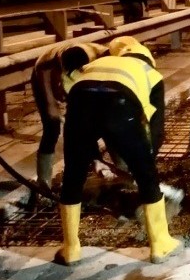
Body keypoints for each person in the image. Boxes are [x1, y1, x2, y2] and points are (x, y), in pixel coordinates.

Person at [54, 36, 180, 265]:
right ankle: (160, 244)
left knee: (73, 175)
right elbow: (156, 128)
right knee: (146, 176)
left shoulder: (96, 65)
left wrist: (91, 153)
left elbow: (79, 101)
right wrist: (145, 161)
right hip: (120, 105)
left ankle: (71, 249)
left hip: (80, 103)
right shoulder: (151, 73)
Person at [30, 41, 108, 191]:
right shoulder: (47, 61)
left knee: (92, 123)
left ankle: (99, 163)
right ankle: (43, 182)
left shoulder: (100, 55)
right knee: (51, 128)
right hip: (47, 79)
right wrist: (51, 104)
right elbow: (46, 84)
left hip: (87, 81)